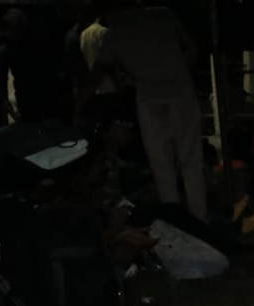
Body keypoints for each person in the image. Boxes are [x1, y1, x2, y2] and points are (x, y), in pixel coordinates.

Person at [79, 1, 208, 222]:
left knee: (162, 167)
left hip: (150, 102)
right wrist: (180, 71)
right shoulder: (162, 13)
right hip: (181, 95)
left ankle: (176, 222)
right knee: (191, 162)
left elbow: (95, 76)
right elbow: (193, 47)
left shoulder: (116, 31)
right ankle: (200, 219)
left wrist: (78, 109)